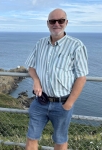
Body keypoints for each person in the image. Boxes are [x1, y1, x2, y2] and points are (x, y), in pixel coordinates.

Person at [25, 8, 88, 150]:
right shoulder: (40, 44)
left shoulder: (76, 46)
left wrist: (69, 104)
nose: (56, 24)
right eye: (53, 21)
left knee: (60, 142)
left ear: (66, 22)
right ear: (48, 23)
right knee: (31, 139)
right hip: (40, 102)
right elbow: (31, 67)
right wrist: (36, 81)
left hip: (62, 104)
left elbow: (81, 77)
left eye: (61, 21)